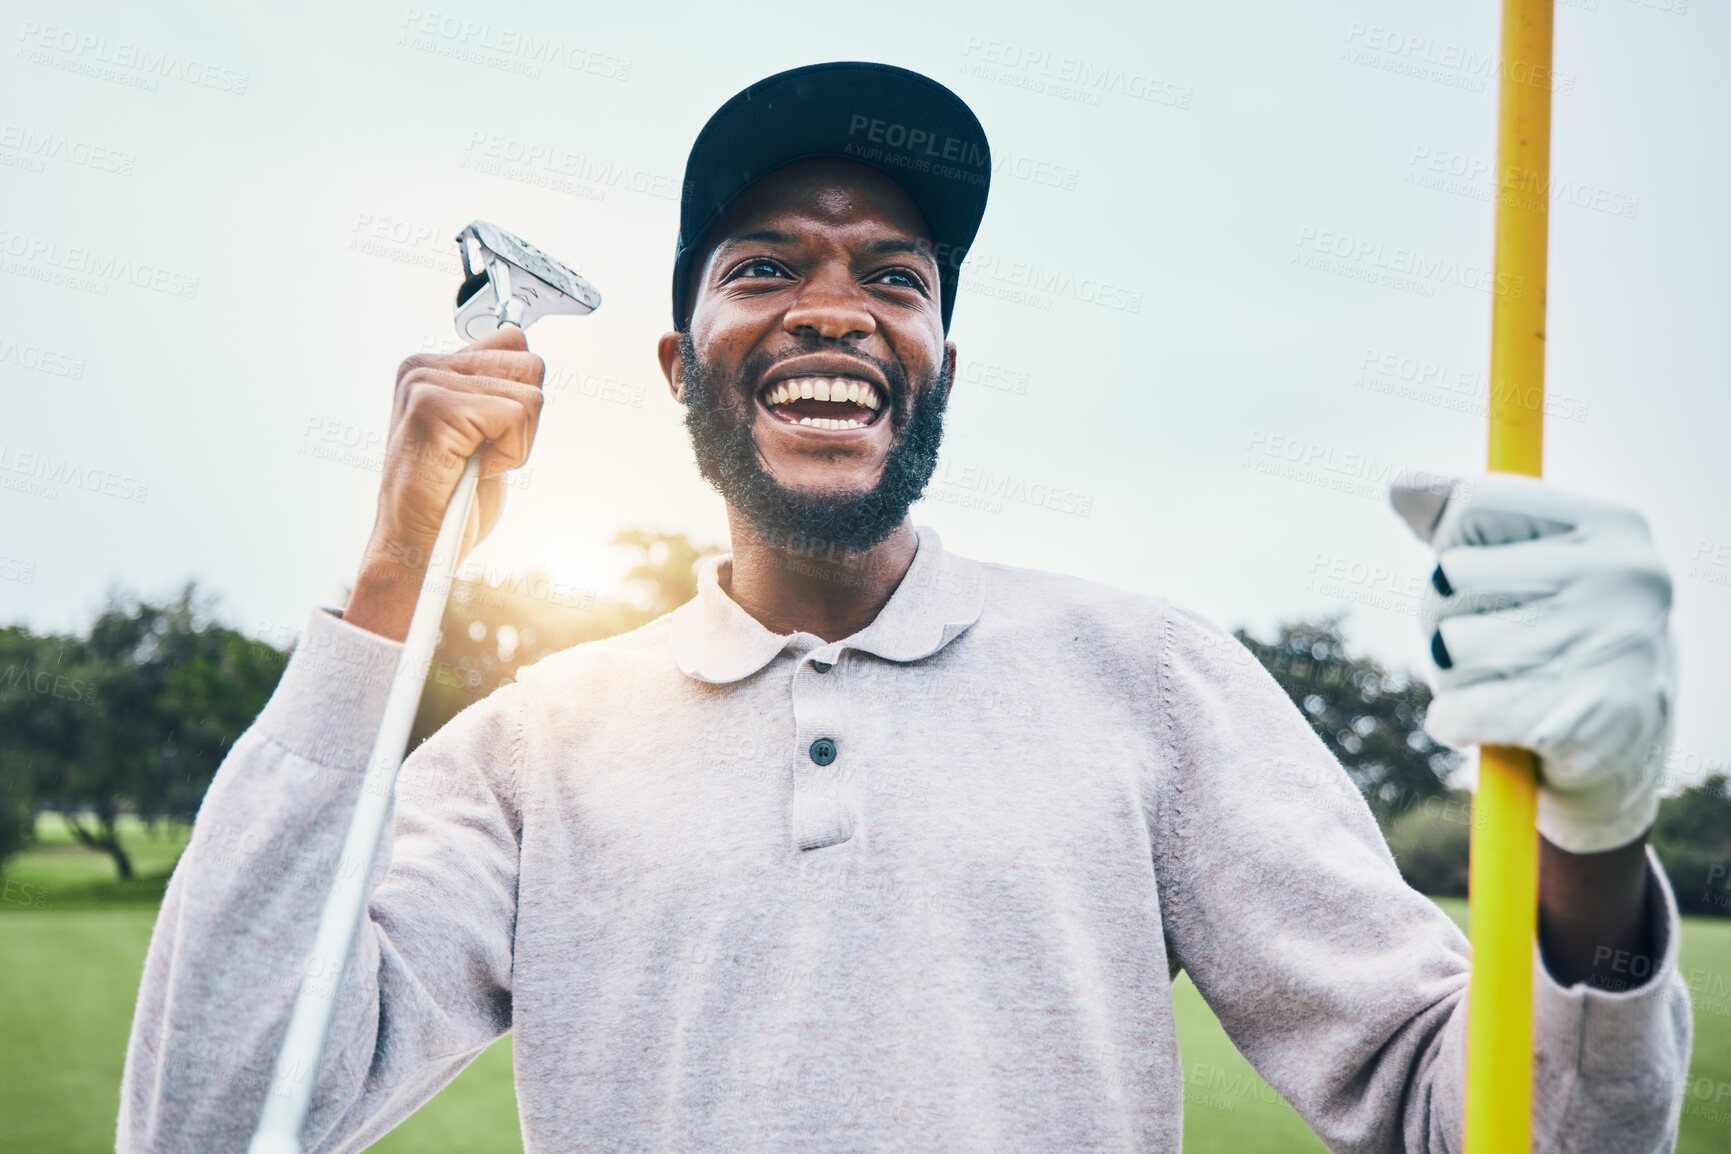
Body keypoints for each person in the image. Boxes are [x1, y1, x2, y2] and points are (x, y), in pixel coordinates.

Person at [119, 62, 1691, 1153]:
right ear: (678, 364)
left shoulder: (1150, 678)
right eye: (760, 266)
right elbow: (213, 1117)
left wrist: (1595, 850)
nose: (834, 305)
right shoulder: (533, 753)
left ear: (938, 361)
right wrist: (393, 576)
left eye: (897, 276)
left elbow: (1478, 1121)